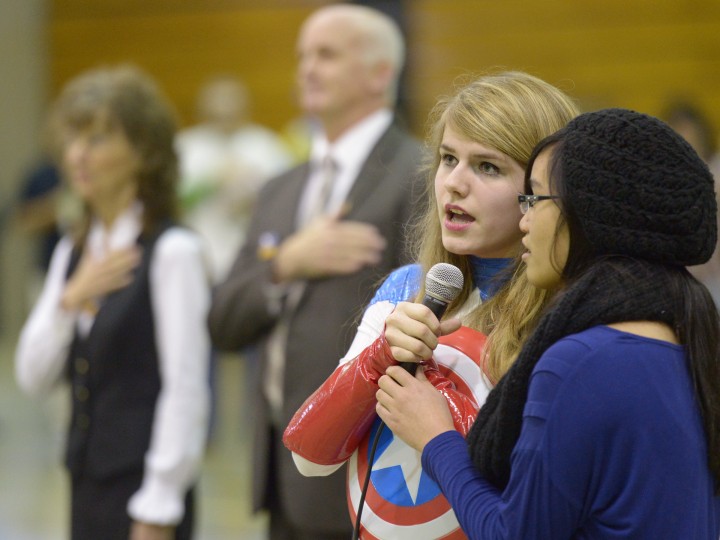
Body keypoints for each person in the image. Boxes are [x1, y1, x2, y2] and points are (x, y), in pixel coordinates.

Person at [375, 108, 720, 538]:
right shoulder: (687, 336)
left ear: (591, 214)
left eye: (534, 199)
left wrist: (436, 438)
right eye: (447, 159)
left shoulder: (581, 363)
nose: (525, 221)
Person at [283, 71, 579, 539]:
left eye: (488, 167)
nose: (454, 184)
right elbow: (309, 457)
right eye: (448, 158)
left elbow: (530, 499)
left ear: (538, 191)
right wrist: (380, 357)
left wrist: (436, 422)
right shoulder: (406, 289)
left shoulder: (568, 310)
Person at [208, 4, 424, 539]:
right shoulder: (281, 188)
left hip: (364, 472)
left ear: (380, 73)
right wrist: (285, 265)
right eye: (303, 55)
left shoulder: (419, 173)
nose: (307, 68)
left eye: (326, 54)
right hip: (278, 473)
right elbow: (222, 322)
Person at [15, 65, 211, 540]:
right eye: (72, 139)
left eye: (98, 139)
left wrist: (159, 505)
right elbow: (31, 376)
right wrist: (68, 301)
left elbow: (185, 388)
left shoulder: (172, 252)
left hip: (145, 493)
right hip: (86, 481)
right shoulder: (72, 251)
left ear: (143, 152)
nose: (77, 154)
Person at [176, 75, 293, 285]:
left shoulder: (265, 145)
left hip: (254, 259)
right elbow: (173, 200)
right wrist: (211, 182)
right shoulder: (188, 146)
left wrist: (252, 195)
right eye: (218, 115)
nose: (225, 121)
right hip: (200, 256)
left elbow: (288, 198)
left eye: (231, 114)